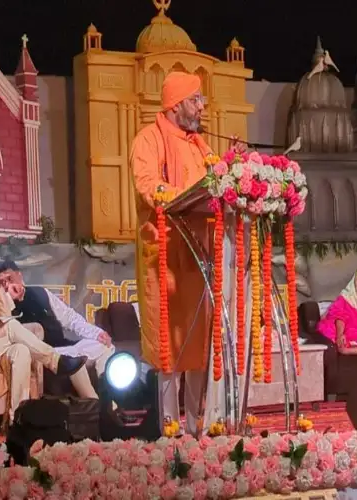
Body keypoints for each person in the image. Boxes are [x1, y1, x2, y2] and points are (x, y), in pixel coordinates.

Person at [131, 71, 212, 434]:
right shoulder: (148, 140)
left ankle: (198, 428)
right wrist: (177, 196)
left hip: (198, 256)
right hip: (164, 258)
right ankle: (169, 430)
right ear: (177, 103)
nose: (201, 106)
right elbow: (147, 186)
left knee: (198, 349)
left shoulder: (200, 144)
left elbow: (214, 184)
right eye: (196, 100)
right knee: (168, 349)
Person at [0, 252, 97, 423]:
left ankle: (17, 418)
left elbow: (5, 315)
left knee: (21, 351)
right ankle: (55, 361)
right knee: (11, 326)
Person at [0, 261, 115, 377]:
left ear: (19, 275)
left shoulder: (40, 293)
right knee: (70, 359)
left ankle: (104, 383)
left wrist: (96, 333)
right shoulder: (1, 305)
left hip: (64, 349)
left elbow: (69, 318)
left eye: (10, 279)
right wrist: (7, 299)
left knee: (104, 345)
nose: (7, 285)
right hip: (43, 355)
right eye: (2, 282)